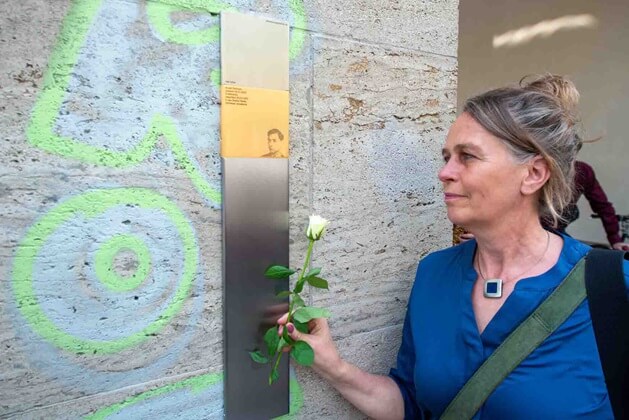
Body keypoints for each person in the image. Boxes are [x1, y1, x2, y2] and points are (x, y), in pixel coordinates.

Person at [277, 75, 629, 419]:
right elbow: (411, 403)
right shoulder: (434, 274)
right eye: (446, 156)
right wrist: (333, 366)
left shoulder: (611, 285)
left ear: (533, 174)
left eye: (467, 157)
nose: (444, 172)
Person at [557, 159, 628, 250]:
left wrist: (615, 240)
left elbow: (602, 206)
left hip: (558, 229)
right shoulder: (539, 168)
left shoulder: (582, 171)